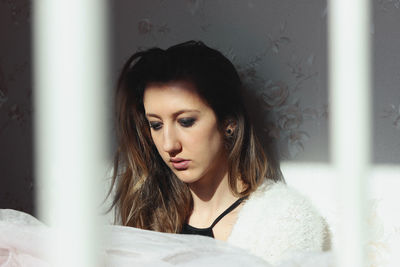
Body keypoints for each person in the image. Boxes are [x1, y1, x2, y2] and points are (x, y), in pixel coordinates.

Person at [107, 40, 330, 264]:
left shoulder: (284, 219)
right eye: (156, 125)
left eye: (185, 121)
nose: (169, 145)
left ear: (228, 122)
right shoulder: (149, 215)